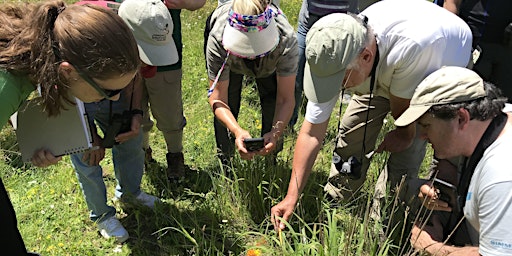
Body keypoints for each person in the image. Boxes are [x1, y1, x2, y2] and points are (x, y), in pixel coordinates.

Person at [271, 0, 472, 231]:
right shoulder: (339, 48)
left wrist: (404, 133)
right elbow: (311, 133)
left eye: (340, 80)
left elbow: (405, 118)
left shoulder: (412, 48)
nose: (337, 88)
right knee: (352, 129)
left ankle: (386, 222)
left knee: (408, 152)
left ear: (365, 58)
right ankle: (339, 198)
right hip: (385, 65)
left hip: (435, 63)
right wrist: (291, 196)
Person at [0, 0, 139, 254]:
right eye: (109, 91)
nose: (116, 99)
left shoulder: (41, 47)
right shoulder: (6, 86)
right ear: (67, 72)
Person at [68, 0, 172, 243]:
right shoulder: (84, 33)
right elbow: (67, 88)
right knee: (87, 155)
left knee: (130, 137)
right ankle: (102, 215)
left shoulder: (147, 28)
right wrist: (89, 134)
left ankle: (130, 193)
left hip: (113, 92)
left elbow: (136, 77)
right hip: (75, 95)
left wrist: (135, 113)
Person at [394, 66, 512, 255]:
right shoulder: (491, 120)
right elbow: (451, 166)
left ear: (461, 118)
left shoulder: (502, 174)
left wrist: (433, 248)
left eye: (426, 125)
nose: (422, 135)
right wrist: (440, 196)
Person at [204, 0, 297, 165]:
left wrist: (275, 134)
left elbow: (285, 99)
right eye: (244, 46)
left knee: (272, 99)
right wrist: (236, 131)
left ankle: (271, 160)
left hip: (271, 62)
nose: (252, 55)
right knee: (230, 101)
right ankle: (225, 160)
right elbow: (219, 99)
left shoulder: (285, 40)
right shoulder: (218, 38)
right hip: (229, 59)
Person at [139, 0, 206, 179]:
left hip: (165, 53)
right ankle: (142, 152)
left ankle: (175, 155)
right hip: (128, 53)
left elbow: (198, 2)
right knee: (136, 111)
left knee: (169, 112)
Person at [441, 0, 512, 101]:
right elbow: (452, 4)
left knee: (505, 98)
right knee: (466, 95)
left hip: (505, 45)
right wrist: (451, 37)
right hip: (469, 43)